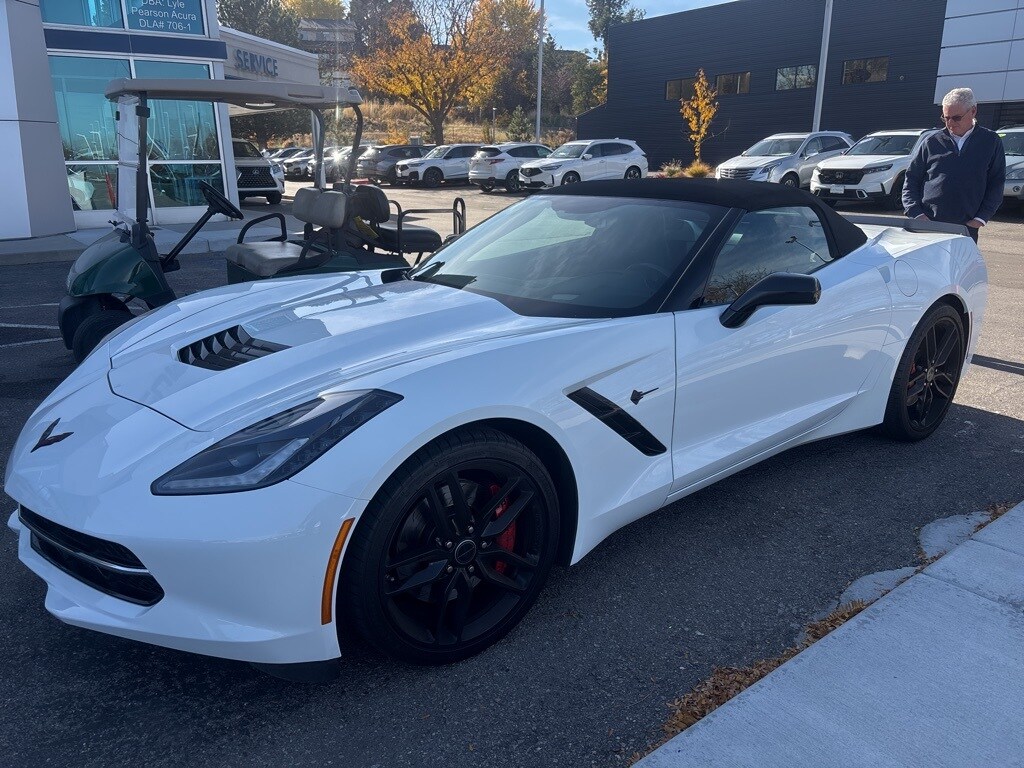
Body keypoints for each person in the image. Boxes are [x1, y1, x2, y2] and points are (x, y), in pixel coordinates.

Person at [902, 87, 1005, 243]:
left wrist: (980, 218)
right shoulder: (931, 142)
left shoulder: (991, 141)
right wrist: (916, 213)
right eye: (946, 118)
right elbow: (911, 178)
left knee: (960, 260)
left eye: (956, 118)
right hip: (928, 224)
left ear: (973, 111)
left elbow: (996, 182)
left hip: (966, 227)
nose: (950, 123)